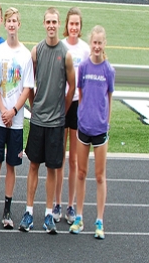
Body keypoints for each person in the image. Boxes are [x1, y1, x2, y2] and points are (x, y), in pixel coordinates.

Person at [20, 7, 75, 234]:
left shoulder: (66, 53)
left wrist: (64, 108)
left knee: (53, 168)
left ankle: (49, 214)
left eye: (55, 22)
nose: (51, 26)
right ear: (44, 24)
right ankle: (29, 212)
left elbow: (72, 85)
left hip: (56, 122)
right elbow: (30, 83)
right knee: (34, 165)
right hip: (39, 120)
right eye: (48, 22)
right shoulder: (36, 51)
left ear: (58, 24)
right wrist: (34, 106)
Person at [0, 7, 34, 229]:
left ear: (19, 24)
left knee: (11, 165)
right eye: (9, 21)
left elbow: (27, 88)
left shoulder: (26, 55)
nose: (12, 24)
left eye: (15, 21)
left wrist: (14, 111)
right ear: (6, 25)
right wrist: (2, 110)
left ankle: (7, 210)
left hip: (15, 120)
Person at [70, 25, 113, 240]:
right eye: (93, 42)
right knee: (80, 172)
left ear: (104, 44)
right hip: (84, 127)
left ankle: (99, 220)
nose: (96, 46)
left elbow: (109, 96)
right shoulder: (84, 67)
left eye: (99, 43)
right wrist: (83, 116)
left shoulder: (108, 70)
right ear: (91, 43)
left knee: (99, 175)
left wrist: (106, 121)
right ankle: (79, 217)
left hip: (100, 129)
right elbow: (80, 92)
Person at [58, 7, 89, 225]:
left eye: (77, 24)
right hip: (61, 105)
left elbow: (86, 81)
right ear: (66, 25)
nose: (74, 27)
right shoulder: (61, 47)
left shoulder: (85, 50)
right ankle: (57, 203)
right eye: (71, 24)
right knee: (58, 158)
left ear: (80, 26)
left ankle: (70, 205)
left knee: (74, 160)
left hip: (78, 105)